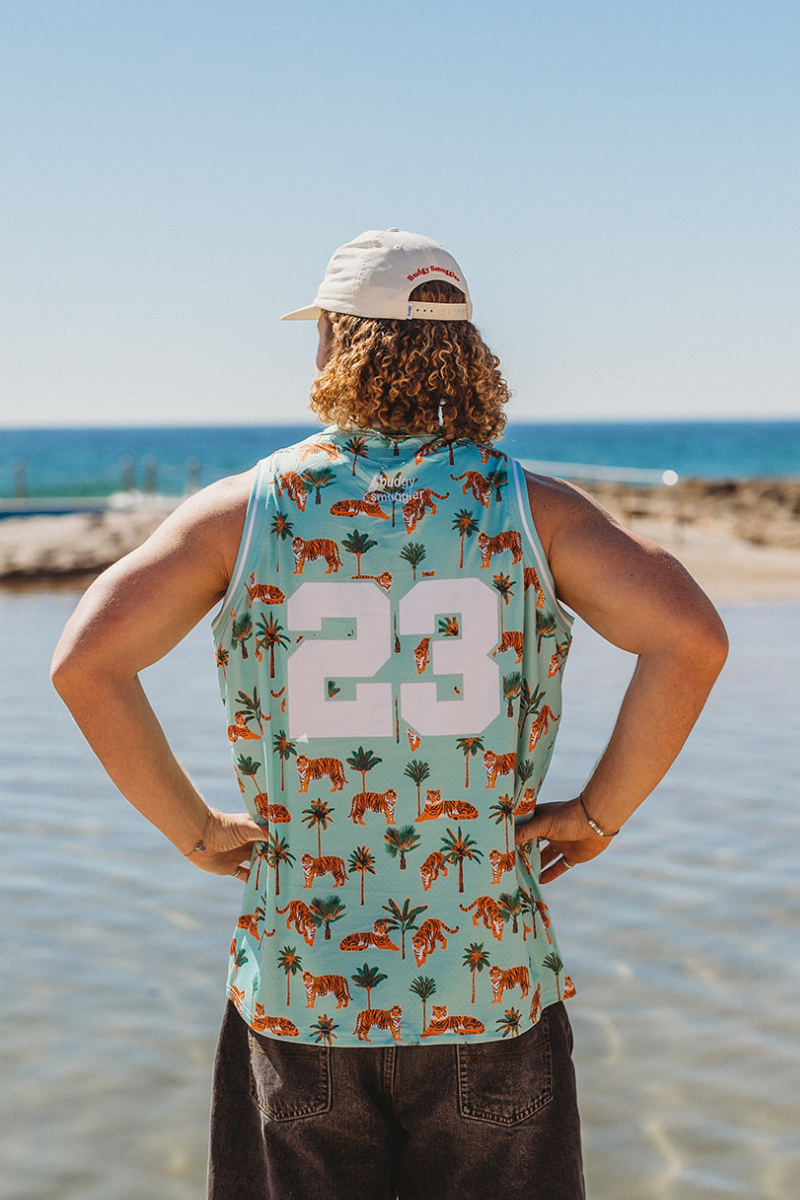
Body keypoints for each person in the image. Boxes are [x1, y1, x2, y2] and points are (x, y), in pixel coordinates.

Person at [51, 228, 728, 1200]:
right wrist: (596, 814)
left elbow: (86, 662)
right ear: (462, 350)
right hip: (488, 984)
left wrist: (193, 830)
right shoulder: (531, 510)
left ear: (336, 340)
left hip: (302, 986)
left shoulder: (244, 513)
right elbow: (690, 641)